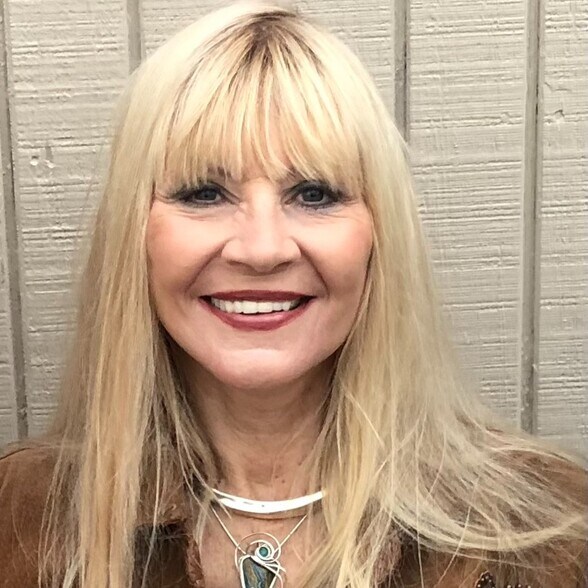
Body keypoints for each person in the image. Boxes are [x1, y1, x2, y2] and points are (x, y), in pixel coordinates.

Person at [1, 2, 586, 587]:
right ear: (135, 233)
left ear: (379, 236)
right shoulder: (18, 517)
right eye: (204, 193)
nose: (262, 250)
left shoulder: (549, 532)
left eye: (314, 194)